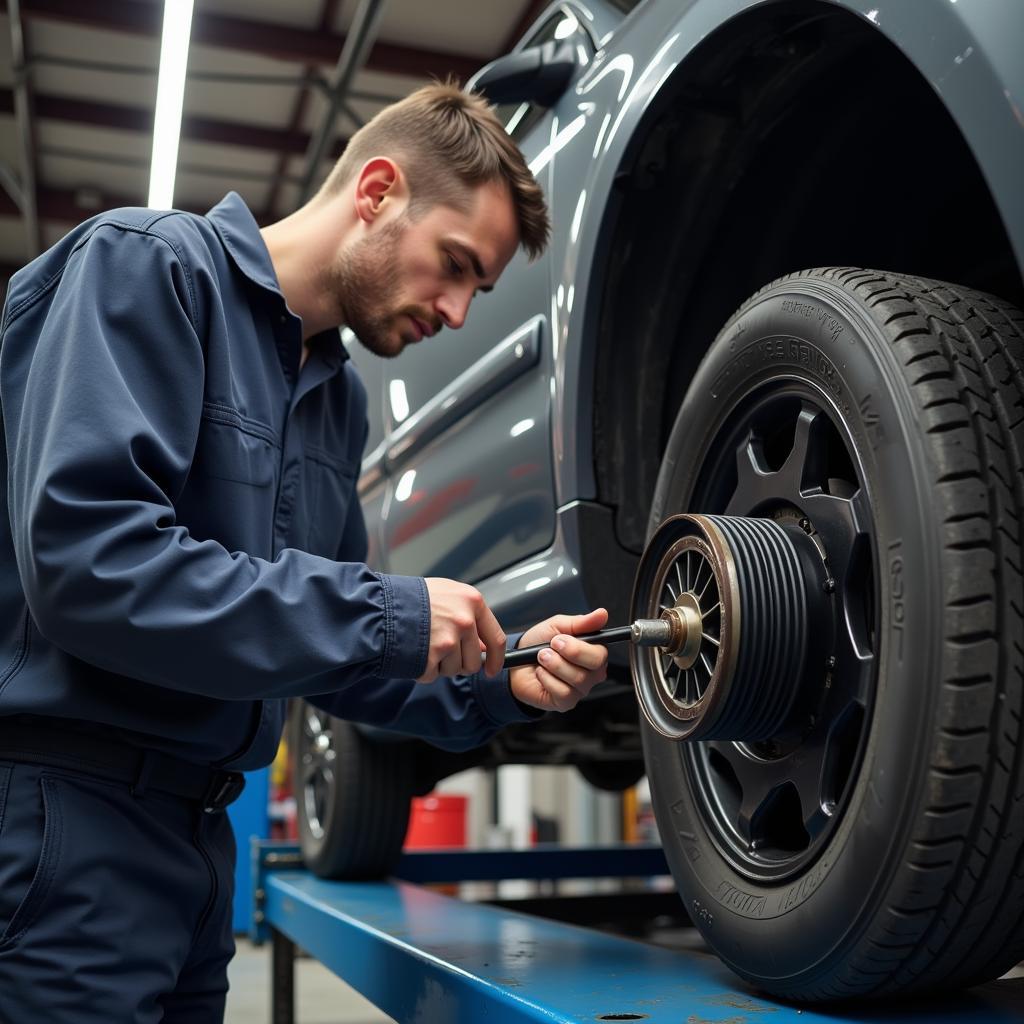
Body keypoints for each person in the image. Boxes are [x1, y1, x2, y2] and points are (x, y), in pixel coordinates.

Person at [0, 82, 609, 1021]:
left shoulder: (337, 401)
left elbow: (339, 666)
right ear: (375, 191)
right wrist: (392, 612)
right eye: (453, 265)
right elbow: (91, 565)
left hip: (200, 844)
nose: (456, 313)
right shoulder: (148, 271)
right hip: (66, 821)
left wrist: (505, 676)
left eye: (476, 291)